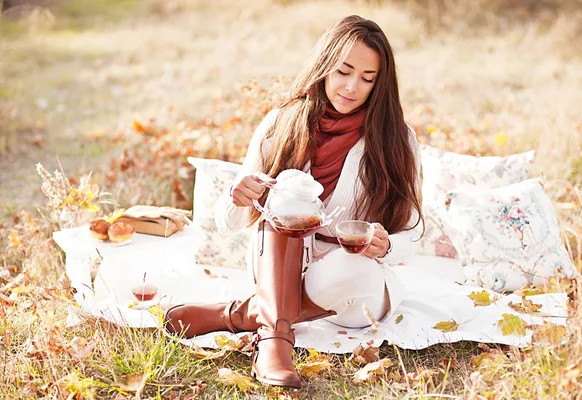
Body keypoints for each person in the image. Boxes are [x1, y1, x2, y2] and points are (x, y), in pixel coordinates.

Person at [165, 15, 423, 389]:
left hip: (351, 291)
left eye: (367, 79)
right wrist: (239, 196)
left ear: (380, 84)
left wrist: (387, 245)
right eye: (343, 72)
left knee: (359, 270)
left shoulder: (397, 138)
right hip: (278, 265)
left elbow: (412, 233)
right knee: (284, 210)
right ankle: (275, 343)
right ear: (324, 66)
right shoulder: (280, 123)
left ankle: (245, 315)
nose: (352, 87)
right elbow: (230, 222)